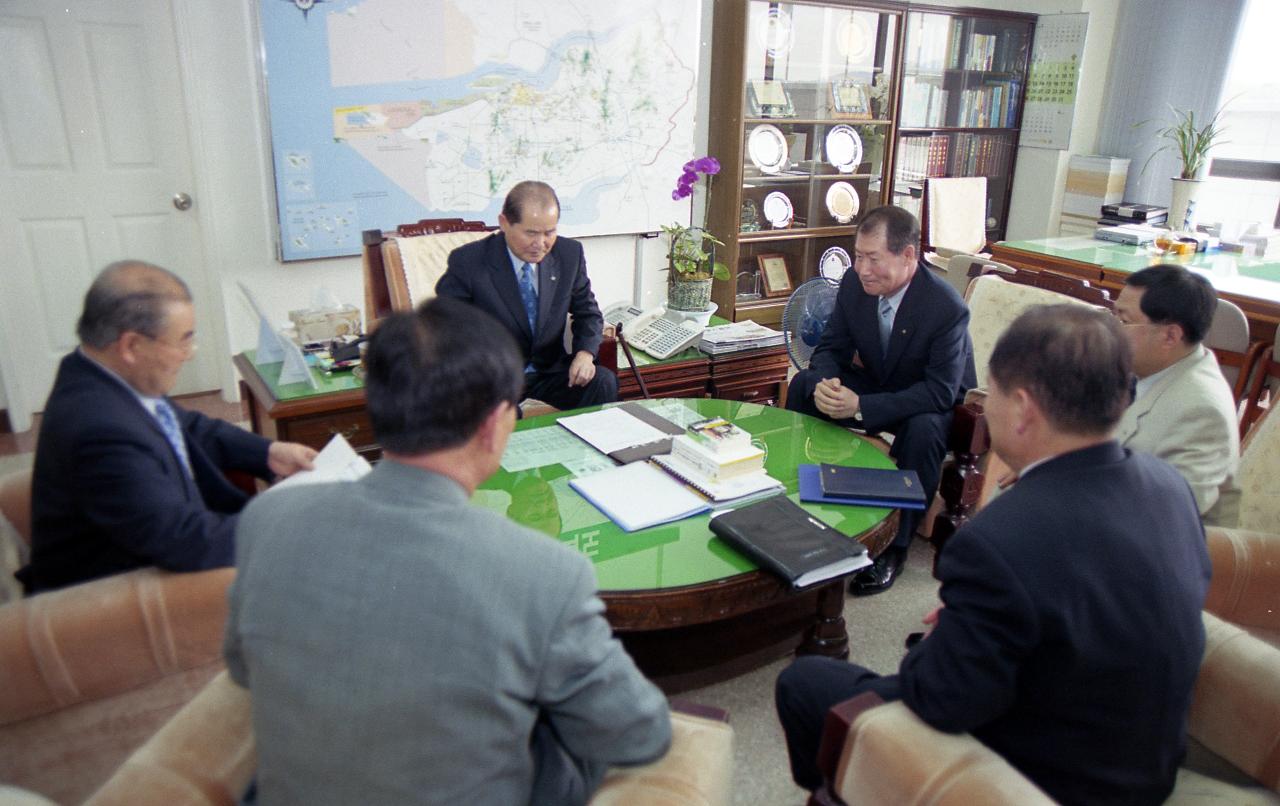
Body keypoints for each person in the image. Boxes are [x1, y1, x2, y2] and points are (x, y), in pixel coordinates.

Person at [223, 296, 670, 805]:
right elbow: (640, 734)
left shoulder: (267, 518)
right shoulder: (547, 573)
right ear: (493, 425)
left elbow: (241, 668)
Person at [776, 305, 1210, 805]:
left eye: (990, 395)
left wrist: (940, 642)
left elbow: (938, 698)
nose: (984, 408)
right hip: (1143, 766)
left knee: (806, 682)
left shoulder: (1000, 540)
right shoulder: (1168, 487)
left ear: (1023, 408)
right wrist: (984, 618)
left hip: (1041, 780)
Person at [18, 261, 315, 594]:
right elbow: (184, 539)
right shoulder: (99, 429)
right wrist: (288, 529)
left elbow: (187, 426)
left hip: (163, 544)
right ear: (131, 346)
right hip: (120, 605)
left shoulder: (99, 375)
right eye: (183, 341)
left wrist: (269, 452)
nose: (189, 354)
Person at [786, 205, 974, 594]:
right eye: (857, 255)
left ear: (908, 256)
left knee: (923, 430)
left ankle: (895, 547)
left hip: (926, 401)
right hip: (879, 381)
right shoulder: (855, 285)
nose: (861, 268)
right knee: (804, 384)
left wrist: (860, 406)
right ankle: (798, 506)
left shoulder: (945, 307)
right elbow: (831, 347)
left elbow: (940, 390)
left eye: (873, 258)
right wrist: (826, 382)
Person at [436, 180, 616, 411]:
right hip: (492, 380)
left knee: (603, 382)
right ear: (504, 223)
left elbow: (588, 313)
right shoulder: (469, 262)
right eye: (530, 233)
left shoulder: (569, 255)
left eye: (549, 232)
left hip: (549, 372)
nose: (540, 244)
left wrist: (585, 354)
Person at [1114, 264, 1240, 526]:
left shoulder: (1202, 411)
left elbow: (1169, 514)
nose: (1112, 330)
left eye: (1124, 321)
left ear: (1170, 335)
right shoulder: (1145, 367)